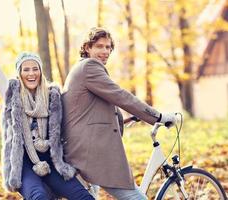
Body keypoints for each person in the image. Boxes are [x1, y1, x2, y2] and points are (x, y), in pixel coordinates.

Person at [0, 3, 95, 200]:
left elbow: (75, 115)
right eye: (26, 69)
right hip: (23, 164)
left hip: (52, 161)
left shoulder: (53, 96)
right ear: (20, 73)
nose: (31, 73)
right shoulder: (11, 93)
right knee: (38, 196)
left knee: (83, 197)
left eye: (35, 69)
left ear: (40, 71)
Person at [61, 27, 178, 200]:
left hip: (82, 147)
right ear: (87, 48)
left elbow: (88, 112)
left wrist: (124, 119)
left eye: (108, 47)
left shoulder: (83, 68)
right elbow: (120, 96)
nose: (105, 51)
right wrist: (157, 117)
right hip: (89, 152)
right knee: (133, 196)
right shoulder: (89, 67)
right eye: (100, 46)